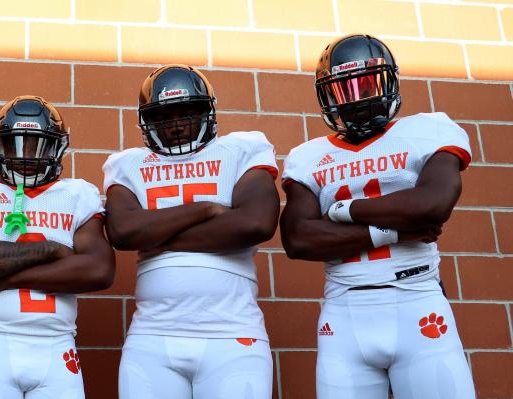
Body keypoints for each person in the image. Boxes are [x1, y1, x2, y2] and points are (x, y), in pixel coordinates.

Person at [280, 34, 476, 398]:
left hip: (417, 297)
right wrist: (394, 232)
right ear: (327, 96)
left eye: (365, 84)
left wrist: (342, 211)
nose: (356, 97)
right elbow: (298, 239)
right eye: (344, 89)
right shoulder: (307, 156)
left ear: (387, 82)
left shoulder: (427, 129)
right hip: (345, 309)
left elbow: (432, 205)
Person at [104, 64, 279, 398]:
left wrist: (154, 232)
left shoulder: (240, 149)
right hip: (152, 336)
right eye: (166, 117)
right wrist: (207, 209)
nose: (177, 126)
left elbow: (255, 222)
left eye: (188, 114)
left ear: (206, 113)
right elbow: (123, 232)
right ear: (149, 120)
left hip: (232, 333)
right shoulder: (127, 163)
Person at [0, 95, 115, 399]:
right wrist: (51, 249)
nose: (26, 155)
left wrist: (3, 278)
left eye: (37, 145)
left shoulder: (76, 193)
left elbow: (99, 269)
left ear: (56, 148)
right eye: (15, 144)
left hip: (58, 345)